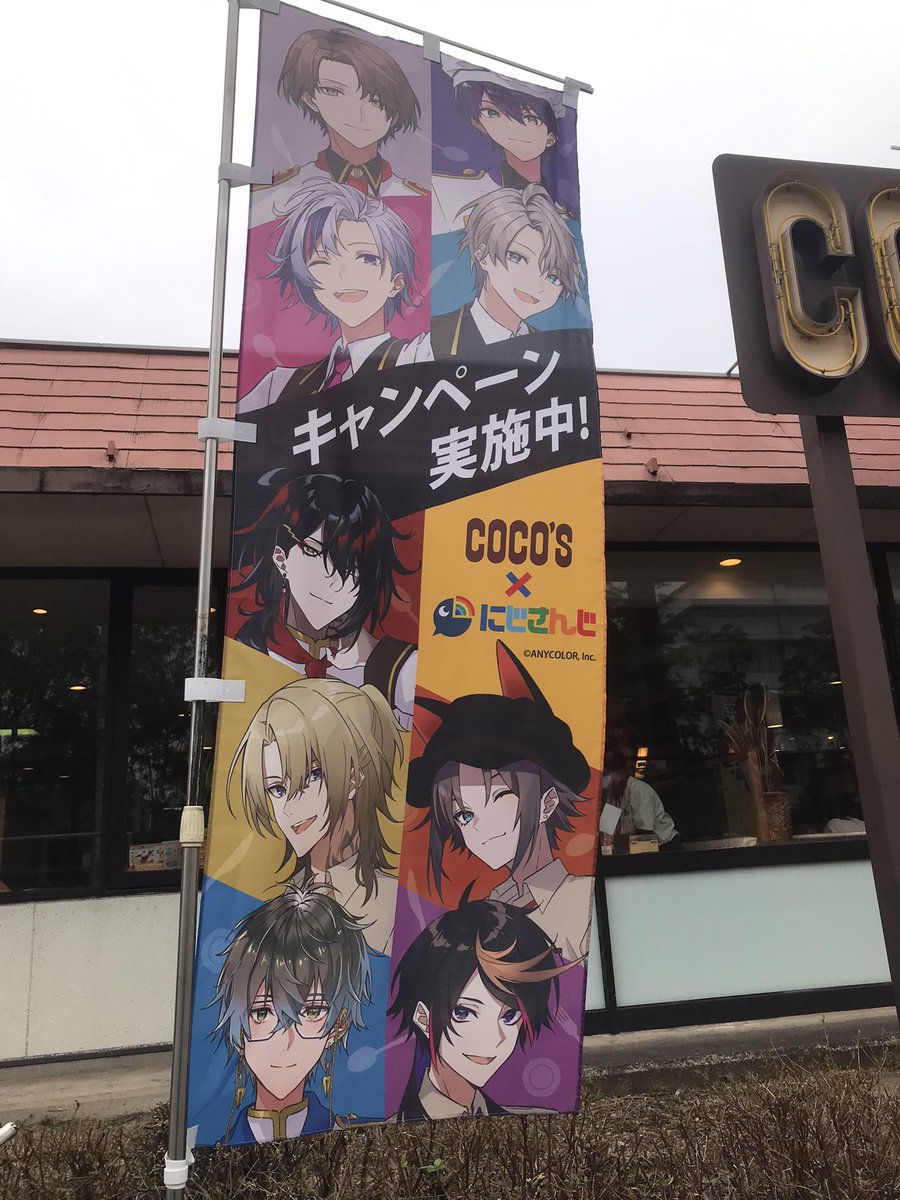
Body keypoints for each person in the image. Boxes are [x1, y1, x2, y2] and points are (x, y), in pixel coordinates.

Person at [407, 640, 593, 961]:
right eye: (463, 815)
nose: (478, 828)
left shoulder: (577, 902)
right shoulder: (491, 907)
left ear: (547, 803)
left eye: (499, 797)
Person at [228, 676, 402, 955]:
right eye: (276, 789)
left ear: (354, 776)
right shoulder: (281, 905)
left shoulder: (393, 906)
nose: (288, 806)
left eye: (311, 776)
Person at [231, 473, 417, 729]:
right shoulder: (248, 652)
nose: (331, 579)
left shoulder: (400, 673)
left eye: (351, 565)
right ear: (281, 559)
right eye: (313, 552)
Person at [238, 180, 430, 412]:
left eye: (368, 258)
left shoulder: (417, 358)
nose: (344, 276)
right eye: (323, 261)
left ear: (396, 282)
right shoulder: (278, 386)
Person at [211, 883, 371, 1144]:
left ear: (338, 1025)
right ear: (238, 1030)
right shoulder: (219, 1146)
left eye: (312, 1011)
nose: (286, 1042)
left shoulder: (353, 1134)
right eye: (262, 1013)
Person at [388, 898, 574, 1121]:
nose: (493, 1039)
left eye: (509, 1016)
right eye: (463, 1013)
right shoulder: (400, 1123)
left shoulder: (525, 1120)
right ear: (423, 1018)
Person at [250, 26, 427, 228]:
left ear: (395, 115)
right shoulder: (276, 197)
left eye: (375, 101)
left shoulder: (422, 201)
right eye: (334, 91)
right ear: (310, 99)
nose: (357, 114)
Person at [430, 185, 582, 360]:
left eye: (553, 277)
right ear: (482, 255)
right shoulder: (432, 339)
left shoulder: (549, 350)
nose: (536, 284)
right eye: (517, 257)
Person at [432, 70, 563, 234]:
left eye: (531, 119)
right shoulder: (447, 190)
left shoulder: (560, 213)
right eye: (492, 113)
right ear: (479, 123)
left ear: (551, 138)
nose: (512, 128)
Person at [601, 749, 679, 848]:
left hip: (664, 845)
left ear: (621, 773)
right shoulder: (613, 795)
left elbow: (645, 834)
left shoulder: (638, 790)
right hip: (634, 846)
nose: (604, 780)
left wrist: (617, 844)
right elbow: (606, 831)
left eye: (606, 774)